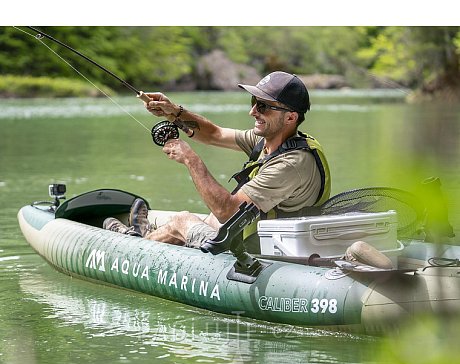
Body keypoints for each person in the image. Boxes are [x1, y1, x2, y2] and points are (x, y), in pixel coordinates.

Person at [104, 71, 331, 253]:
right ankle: (141, 237)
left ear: (290, 117)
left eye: (263, 106)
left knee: (183, 220)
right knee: (188, 221)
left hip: (260, 251)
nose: (253, 111)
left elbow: (228, 212)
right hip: (255, 236)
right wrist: (173, 112)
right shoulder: (271, 139)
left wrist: (190, 159)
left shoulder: (291, 164)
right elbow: (215, 134)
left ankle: (132, 245)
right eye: (254, 101)